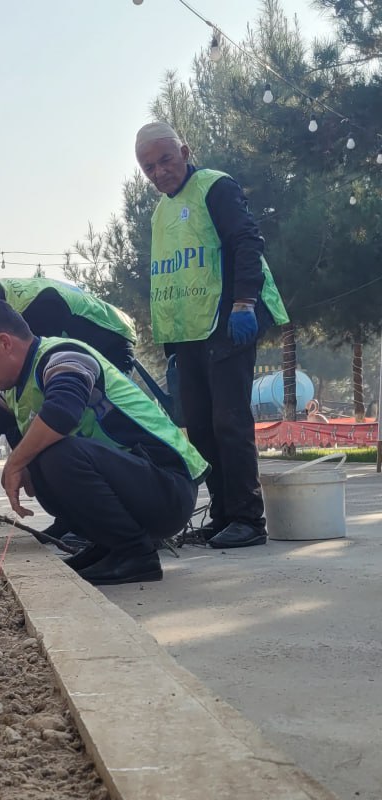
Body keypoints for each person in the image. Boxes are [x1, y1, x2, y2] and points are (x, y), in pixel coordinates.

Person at [0, 300, 208, 585]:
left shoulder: (63, 357)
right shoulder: (18, 387)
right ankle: (110, 545)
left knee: (55, 454)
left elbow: (64, 412)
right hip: (142, 487)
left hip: (169, 487)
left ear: (5, 343)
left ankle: (135, 554)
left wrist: (16, 462)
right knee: (45, 457)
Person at [136, 121, 289, 549]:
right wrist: (170, 339)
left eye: (165, 159)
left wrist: (243, 304)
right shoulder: (161, 212)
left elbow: (246, 241)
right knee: (200, 426)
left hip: (228, 320)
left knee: (229, 419)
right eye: (148, 167)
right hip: (189, 330)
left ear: (184, 151)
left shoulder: (215, 187)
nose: (159, 172)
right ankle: (223, 515)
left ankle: (247, 518)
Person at [0, 259, 138, 401]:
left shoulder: (34, 309)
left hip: (110, 339)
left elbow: (15, 370)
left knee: (92, 410)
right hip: (77, 347)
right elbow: (5, 369)